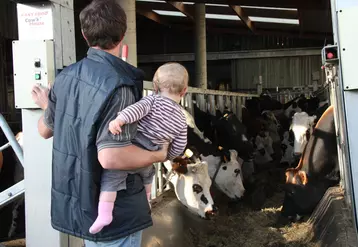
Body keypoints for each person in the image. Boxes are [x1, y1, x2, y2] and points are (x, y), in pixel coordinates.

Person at [31, 0, 168, 246]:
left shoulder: (64, 78)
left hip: (79, 201)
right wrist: (158, 156)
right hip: (116, 212)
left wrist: (48, 106)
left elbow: (44, 130)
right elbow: (111, 157)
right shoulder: (121, 85)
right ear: (123, 34)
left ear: (84, 35)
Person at [89, 63, 189, 234]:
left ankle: (105, 214)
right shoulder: (181, 117)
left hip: (134, 150)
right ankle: (148, 200)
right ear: (184, 91)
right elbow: (180, 144)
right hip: (151, 156)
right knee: (148, 176)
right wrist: (165, 156)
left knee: (111, 178)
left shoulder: (153, 100)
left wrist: (119, 120)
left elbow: (136, 110)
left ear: (155, 87)